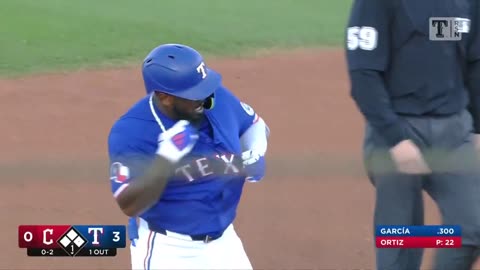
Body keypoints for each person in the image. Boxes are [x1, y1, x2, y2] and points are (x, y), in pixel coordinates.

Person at [107, 43, 270, 270]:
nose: (205, 98)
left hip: (225, 244)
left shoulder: (214, 99)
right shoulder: (132, 132)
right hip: (170, 251)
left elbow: (254, 125)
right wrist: (166, 158)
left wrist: (254, 153)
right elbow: (128, 204)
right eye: (194, 94)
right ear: (164, 97)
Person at [345, 0, 480, 269]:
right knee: (401, 241)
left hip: (454, 134)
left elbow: (474, 63)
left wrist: (478, 127)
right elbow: (364, 73)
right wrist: (396, 139)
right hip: (397, 131)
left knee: (471, 229)